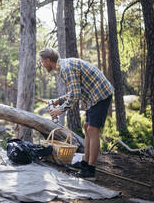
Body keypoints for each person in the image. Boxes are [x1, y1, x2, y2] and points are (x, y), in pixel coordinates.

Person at [39, 48, 113, 180]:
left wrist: (60, 109)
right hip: (92, 97)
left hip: (100, 95)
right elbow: (75, 89)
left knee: (92, 130)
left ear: (48, 60)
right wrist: (59, 100)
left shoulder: (66, 69)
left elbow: (75, 95)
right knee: (86, 128)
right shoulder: (63, 67)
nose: (42, 64)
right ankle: (85, 162)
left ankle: (90, 170)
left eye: (42, 61)